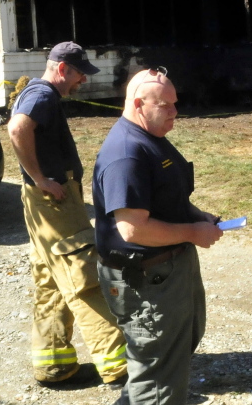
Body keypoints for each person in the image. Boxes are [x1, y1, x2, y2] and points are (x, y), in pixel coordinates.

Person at [93, 68, 223, 405]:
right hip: (147, 279)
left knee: (164, 361)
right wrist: (194, 232)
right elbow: (133, 228)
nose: (175, 112)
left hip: (168, 271)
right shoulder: (126, 153)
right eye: (166, 105)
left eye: (175, 104)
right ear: (139, 104)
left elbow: (164, 198)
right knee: (158, 375)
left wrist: (196, 216)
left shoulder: (151, 138)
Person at [9, 42, 128, 388]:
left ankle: (53, 365)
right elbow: (17, 128)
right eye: (78, 75)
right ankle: (120, 366)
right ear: (62, 69)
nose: (82, 82)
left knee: (51, 282)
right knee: (83, 276)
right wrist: (41, 178)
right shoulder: (43, 95)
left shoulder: (37, 92)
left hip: (42, 205)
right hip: (54, 203)